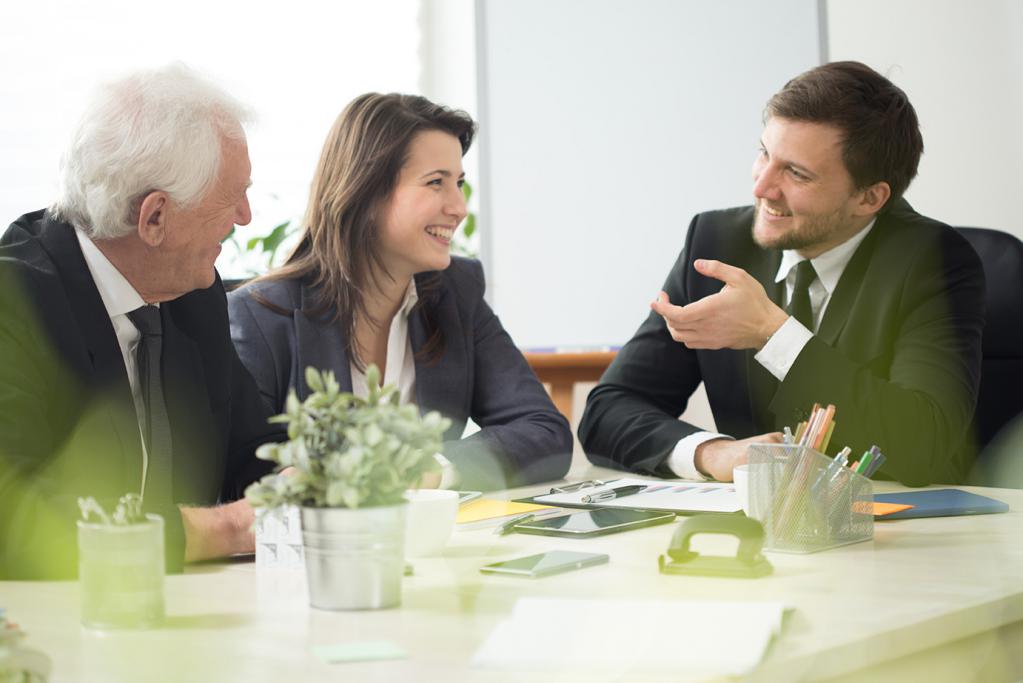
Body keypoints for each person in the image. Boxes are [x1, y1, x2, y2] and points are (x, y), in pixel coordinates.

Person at [579, 61, 985, 487]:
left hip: (896, 534)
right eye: (764, 154)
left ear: (868, 198)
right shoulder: (714, 243)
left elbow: (923, 444)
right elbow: (608, 412)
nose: (761, 187)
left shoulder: (933, 262)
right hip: (754, 536)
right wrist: (711, 453)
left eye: (796, 173)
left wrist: (775, 335)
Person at [0, 64, 283, 579]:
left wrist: (304, 482)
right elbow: (15, 521)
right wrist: (224, 530)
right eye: (232, 195)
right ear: (154, 218)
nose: (245, 216)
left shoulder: (192, 293)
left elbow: (254, 453)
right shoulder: (12, 304)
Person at [228, 93, 572, 491]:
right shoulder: (261, 316)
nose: (459, 207)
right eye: (436, 183)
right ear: (366, 191)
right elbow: (239, 480)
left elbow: (545, 432)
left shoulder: (455, 293)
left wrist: (428, 470)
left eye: (458, 183)